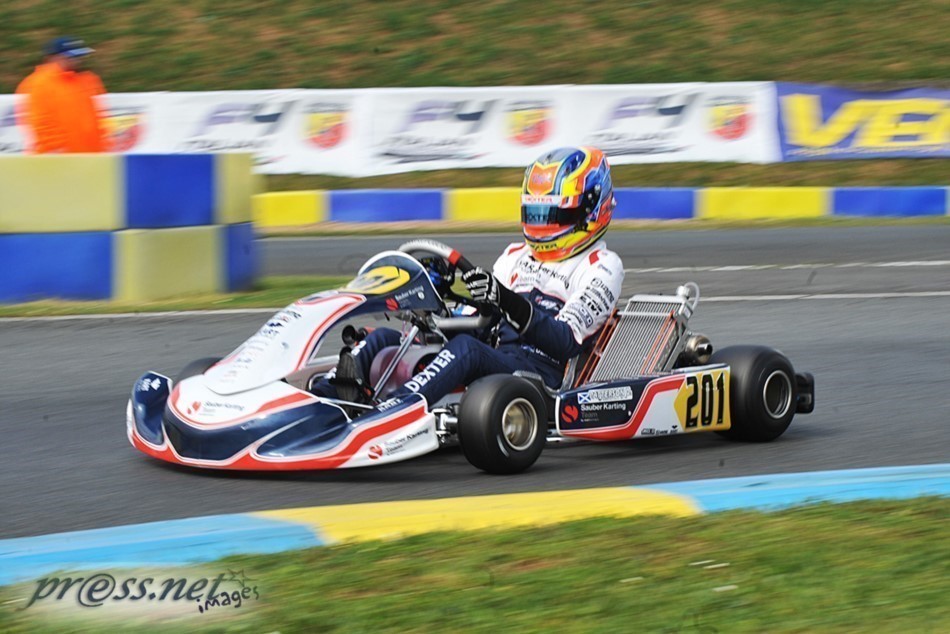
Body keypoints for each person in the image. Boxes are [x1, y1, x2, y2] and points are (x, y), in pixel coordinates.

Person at [314, 146, 625, 409]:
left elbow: (564, 341)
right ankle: (321, 401)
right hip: (496, 360)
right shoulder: (515, 255)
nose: (543, 226)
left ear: (591, 210)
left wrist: (504, 299)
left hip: (540, 378)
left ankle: (394, 410)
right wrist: (441, 297)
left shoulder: (602, 267)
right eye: (535, 214)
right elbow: (479, 324)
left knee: (467, 349)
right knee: (383, 339)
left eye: (556, 216)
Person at [15, 36, 110, 154]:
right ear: (54, 57)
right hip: (58, 157)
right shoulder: (38, 84)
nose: (78, 60)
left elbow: (97, 118)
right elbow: (40, 122)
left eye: (80, 56)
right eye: (72, 57)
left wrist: (103, 146)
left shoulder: (86, 79)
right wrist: (57, 152)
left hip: (91, 155)